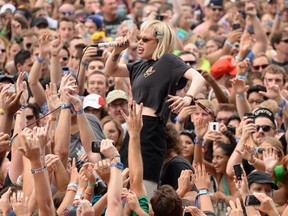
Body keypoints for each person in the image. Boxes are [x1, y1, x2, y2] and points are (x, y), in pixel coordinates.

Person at [105, 19, 206, 196]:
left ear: (159, 41)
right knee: (124, 186)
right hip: (134, 128)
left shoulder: (168, 61)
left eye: (145, 39)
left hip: (150, 129)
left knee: (143, 188)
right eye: (139, 38)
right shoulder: (139, 65)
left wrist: (188, 98)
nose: (139, 43)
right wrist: (117, 51)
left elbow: (198, 78)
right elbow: (111, 71)